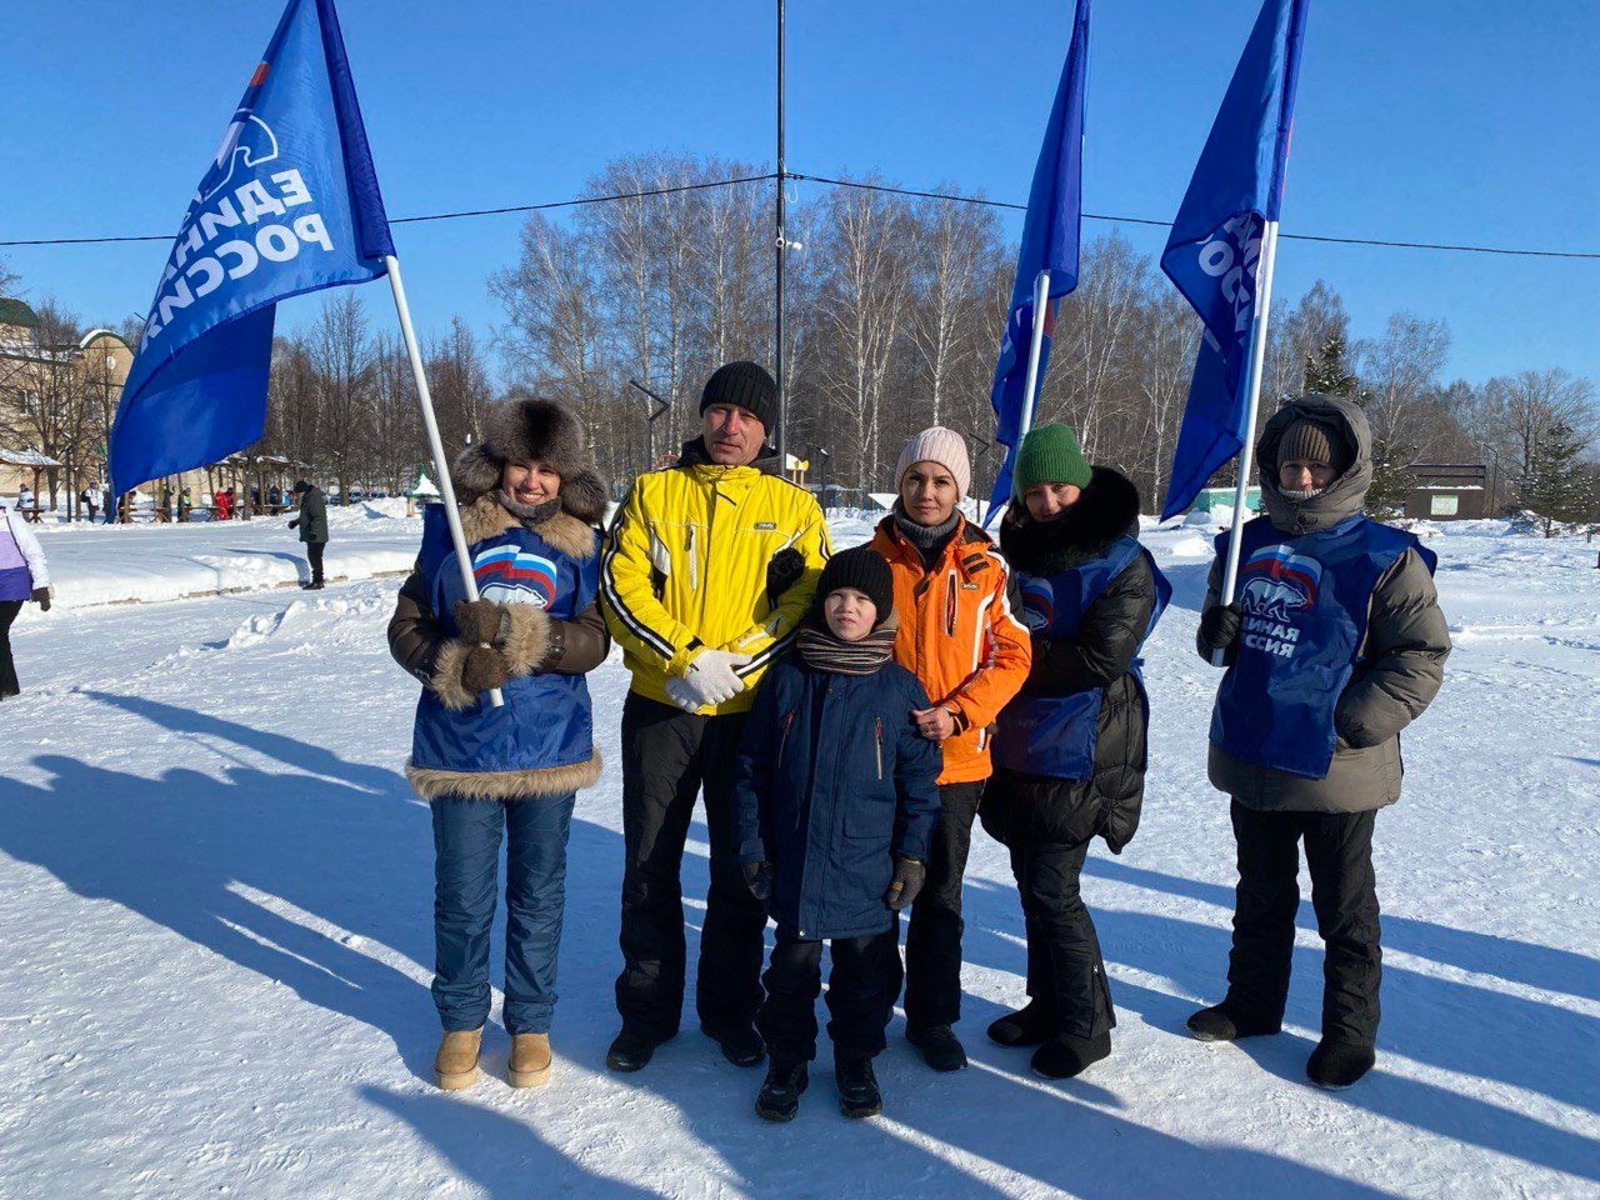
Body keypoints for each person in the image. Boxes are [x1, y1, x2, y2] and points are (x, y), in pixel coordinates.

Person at [1188, 395, 1449, 1091]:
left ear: (1345, 471)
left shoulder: (1385, 556)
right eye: (1289, 466)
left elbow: (1420, 656)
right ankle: (1252, 1004)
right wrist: (1216, 634)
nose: (1301, 479)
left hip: (1336, 764)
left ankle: (1348, 1032)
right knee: (1261, 894)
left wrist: (1351, 723)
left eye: (1317, 467)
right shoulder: (1244, 544)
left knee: (1344, 908)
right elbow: (1222, 642)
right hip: (1254, 749)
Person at [599, 360, 832, 1074]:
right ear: (702, 417)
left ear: (767, 430)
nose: (732, 427)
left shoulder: (794, 508)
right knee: (649, 866)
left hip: (750, 716)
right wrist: (686, 657)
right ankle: (647, 1014)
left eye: (749, 417)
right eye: (721, 412)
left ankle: (730, 1012)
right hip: (662, 705)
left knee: (741, 870)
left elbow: (808, 602)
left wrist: (740, 665)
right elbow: (620, 586)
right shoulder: (653, 492)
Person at [387, 396, 611, 1092]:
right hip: (462, 750)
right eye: (522, 465)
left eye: (548, 470)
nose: (533, 482)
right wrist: (450, 663)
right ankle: (461, 1020)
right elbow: (407, 625)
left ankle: (531, 1022)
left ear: (565, 476)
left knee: (538, 894)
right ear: (498, 465)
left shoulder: (582, 543)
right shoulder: (452, 531)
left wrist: (524, 637)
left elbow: (596, 640)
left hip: (549, 745)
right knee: (463, 895)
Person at [980, 424, 1169, 1080]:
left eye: (1059, 489)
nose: (1048, 504)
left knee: (1054, 889)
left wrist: (1008, 656)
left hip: (1083, 745)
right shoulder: (1019, 557)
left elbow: (1099, 657)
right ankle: (1048, 1003)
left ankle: (1087, 1022)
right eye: (1034, 493)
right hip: (1018, 742)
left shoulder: (1122, 562)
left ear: (1083, 487)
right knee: (1030, 884)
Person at [733, 546, 942, 1121]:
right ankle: (787, 1061)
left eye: (862, 600)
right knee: (790, 974)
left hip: (867, 866)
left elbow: (919, 786)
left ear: (881, 612)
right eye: (837, 596)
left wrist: (912, 856)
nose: (847, 608)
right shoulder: (787, 679)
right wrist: (752, 846)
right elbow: (751, 770)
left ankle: (856, 1060)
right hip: (796, 857)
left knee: (864, 977)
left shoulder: (899, 689)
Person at [865, 427, 1032, 1071]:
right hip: (878, 756)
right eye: (915, 478)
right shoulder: (870, 561)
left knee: (939, 896)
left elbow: (1012, 655)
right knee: (876, 887)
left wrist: (961, 712)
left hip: (955, 761)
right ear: (900, 484)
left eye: (941, 481)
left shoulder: (987, 568)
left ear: (959, 489)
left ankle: (932, 1018)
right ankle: (869, 1006)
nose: (927, 492)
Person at [0, 495, 52, 699]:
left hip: (13, 583)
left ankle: (5, 685)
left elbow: (34, 553)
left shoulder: (10, 520)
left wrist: (41, 586)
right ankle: (10, 685)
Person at [288, 481, 329, 590]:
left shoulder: (313, 498)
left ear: (303, 491)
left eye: (298, 493)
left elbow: (318, 517)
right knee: (313, 557)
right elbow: (307, 516)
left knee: (315, 558)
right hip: (312, 534)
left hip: (317, 535)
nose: (297, 495)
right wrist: (296, 522)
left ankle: (318, 582)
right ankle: (317, 581)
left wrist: (314, 532)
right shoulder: (308, 497)